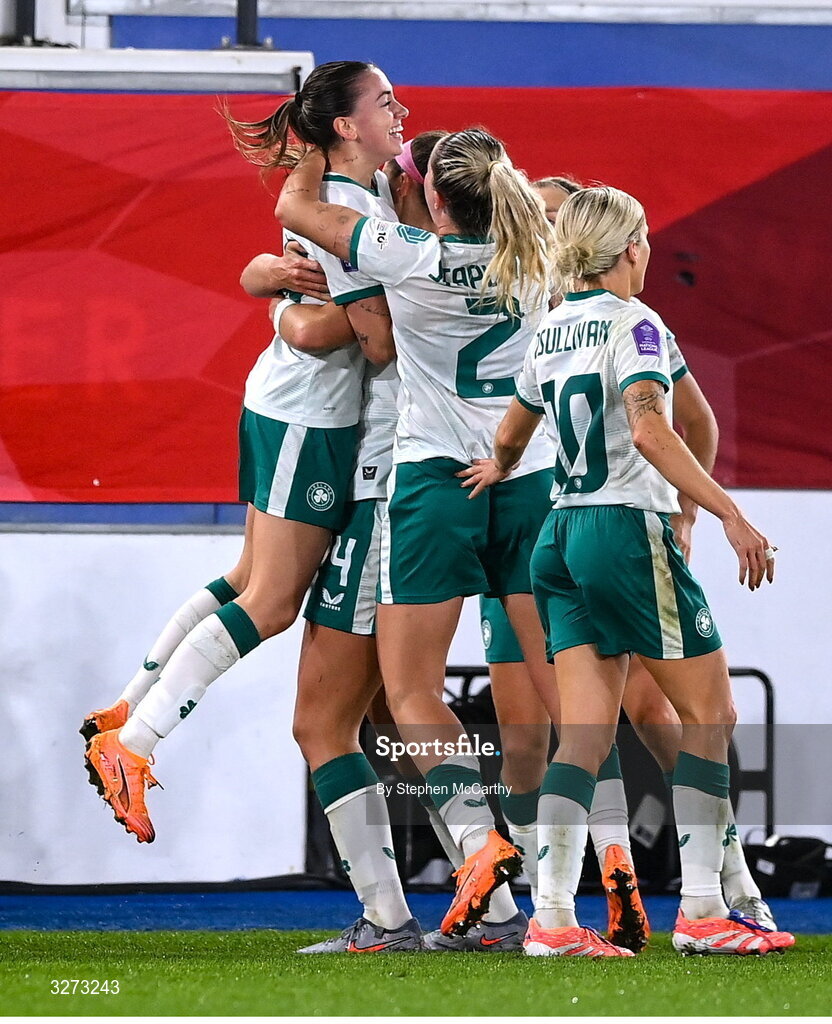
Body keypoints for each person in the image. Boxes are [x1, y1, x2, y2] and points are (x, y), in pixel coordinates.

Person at [82, 61, 408, 851]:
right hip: (313, 419)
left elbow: (290, 278)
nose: (402, 112)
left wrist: (273, 286)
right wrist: (386, 303)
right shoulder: (347, 207)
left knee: (246, 580)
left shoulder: (348, 180)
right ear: (345, 126)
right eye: (386, 102)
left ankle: (125, 711)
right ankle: (136, 742)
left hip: (286, 405)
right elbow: (361, 334)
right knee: (271, 603)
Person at [465, 184, 791, 957]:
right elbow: (651, 428)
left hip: (560, 531)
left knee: (580, 736)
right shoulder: (636, 324)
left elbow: (514, 432)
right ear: (628, 249)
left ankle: (550, 922)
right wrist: (724, 512)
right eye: (643, 239)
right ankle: (706, 911)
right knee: (712, 718)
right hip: (621, 528)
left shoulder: (548, 330)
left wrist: (495, 467)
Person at [276, 128, 559, 937]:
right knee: (569, 699)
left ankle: (477, 844)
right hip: (524, 479)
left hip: (436, 485)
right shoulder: (539, 253)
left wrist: (307, 147)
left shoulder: (410, 256)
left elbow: (300, 206)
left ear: (434, 197)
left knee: (411, 696)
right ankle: (575, 896)